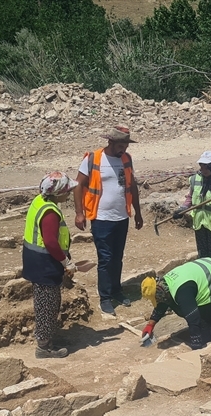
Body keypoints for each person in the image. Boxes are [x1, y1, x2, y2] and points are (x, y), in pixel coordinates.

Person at [73, 126, 145, 316]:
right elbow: (78, 185)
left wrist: (138, 212)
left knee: (117, 257)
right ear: (110, 142)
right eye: (121, 145)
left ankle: (116, 291)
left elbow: (132, 185)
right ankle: (105, 298)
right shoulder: (93, 159)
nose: (124, 149)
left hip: (121, 217)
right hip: (101, 218)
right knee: (105, 259)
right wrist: (79, 213)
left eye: (126, 146)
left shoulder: (126, 159)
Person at [23, 172, 79, 359]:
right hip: (45, 264)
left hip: (36, 261)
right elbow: (50, 242)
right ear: (57, 193)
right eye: (66, 191)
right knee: (48, 305)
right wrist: (66, 262)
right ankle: (44, 347)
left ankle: (46, 339)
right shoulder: (50, 212)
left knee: (44, 303)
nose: (69, 194)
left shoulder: (40, 201)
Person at [139, 257, 211, 350]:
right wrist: (151, 324)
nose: (157, 301)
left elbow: (193, 319)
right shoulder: (165, 283)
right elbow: (163, 302)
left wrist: (196, 346)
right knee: (187, 311)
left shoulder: (182, 292)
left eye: (156, 298)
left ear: (159, 291)